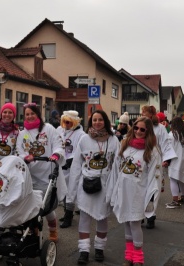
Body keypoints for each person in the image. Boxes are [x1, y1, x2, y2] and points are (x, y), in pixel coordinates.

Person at [67, 110, 119, 264]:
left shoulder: (114, 140)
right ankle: (83, 250)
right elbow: (76, 165)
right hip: (87, 184)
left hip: (105, 185)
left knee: (102, 218)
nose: (97, 122)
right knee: (84, 218)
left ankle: (99, 249)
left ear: (106, 122)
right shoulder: (84, 139)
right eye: (94, 120)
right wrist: (72, 192)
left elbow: (117, 165)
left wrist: (116, 189)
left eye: (100, 120)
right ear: (91, 122)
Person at [107, 116, 160, 266]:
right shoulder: (125, 144)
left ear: (148, 131)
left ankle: (138, 258)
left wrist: (150, 198)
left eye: (142, 129)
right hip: (123, 190)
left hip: (138, 192)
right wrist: (113, 190)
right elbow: (117, 168)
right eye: (136, 128)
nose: (138, 131)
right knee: (126, 222)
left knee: (135, 223)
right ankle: (129, 256)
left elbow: (153, 177)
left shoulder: (152, 150)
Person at [16, 103, 67, 243]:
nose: (30, 116)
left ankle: (53, 231)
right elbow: (19, 151)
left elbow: (58, 143)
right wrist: (25, 158)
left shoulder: (48, 129)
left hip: (47, 174)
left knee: (46, 207)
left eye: (32, 113)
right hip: (30, 175)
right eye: (27, 114)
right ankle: (34, 233)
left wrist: (56, 154)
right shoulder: (22, 133)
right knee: (31, 208)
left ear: (38, 114)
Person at [141, 105, 177, 229]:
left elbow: (166, 144)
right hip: (141, 161)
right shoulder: (140, 126)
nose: (142, 115)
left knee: (153, 190)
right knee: (140, 188)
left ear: (151, 115)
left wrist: (166, 159)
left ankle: (150, 216)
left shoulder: (160, 128)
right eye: (142, 113)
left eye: (144, 113)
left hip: (155, 163)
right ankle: (139, 215)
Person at [56, 110, 85, 228]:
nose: (67, 124)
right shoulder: (59, 131)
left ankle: (69, 216)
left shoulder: (81, 135)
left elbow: (80, 150)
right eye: (65, 122)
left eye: (69, 122)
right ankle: (66, 212)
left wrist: (71, 160)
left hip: (72, 167)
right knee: (62, 190)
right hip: (61, 166)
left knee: (71, 191)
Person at [166, 117, 184, 208]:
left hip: (176, 158)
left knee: (173, 178)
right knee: (183, 177)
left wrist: (166, 160)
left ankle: (175, 200)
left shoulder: (172, 134)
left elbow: (169, 148)